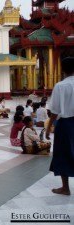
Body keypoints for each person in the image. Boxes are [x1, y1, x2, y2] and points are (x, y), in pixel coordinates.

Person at [46, 57, 74, 196]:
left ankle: (65, 188)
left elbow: (54, 111)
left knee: (63, 153)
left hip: (66, 124)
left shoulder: (60, 86)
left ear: (62, 69)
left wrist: (48, 127)